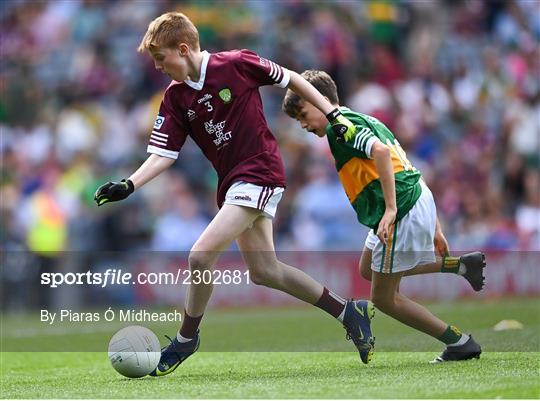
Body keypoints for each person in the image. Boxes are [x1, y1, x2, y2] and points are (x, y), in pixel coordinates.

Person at [94, 12, 375, 376]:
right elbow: (164, 153)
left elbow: (289, 78)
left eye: (161, 59)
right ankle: (347, 311)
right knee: (265, 271)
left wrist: (331, 110)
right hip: (234, 183)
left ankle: (186, 339)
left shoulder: (236, 64)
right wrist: (129, 184)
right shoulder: (176, 97)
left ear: (183, 49)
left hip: (259, 172)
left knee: (199, 256)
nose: (159, 67)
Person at [282, 70, 486, 363]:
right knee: (368, 268)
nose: (302, 124)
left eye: (302, 114)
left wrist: (391, 209)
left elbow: (379, 152)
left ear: (321, 100)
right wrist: (435, 227)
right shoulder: (362, 118)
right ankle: (459, 266)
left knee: (383, 299)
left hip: (399, 209)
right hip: (413, 197)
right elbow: (402, 163)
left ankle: (459, 342)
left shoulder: (341, 128)